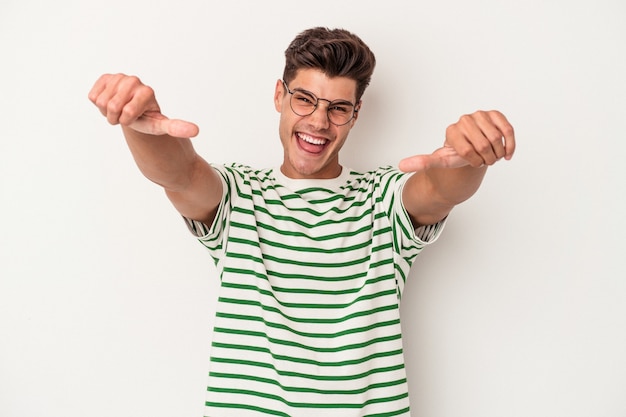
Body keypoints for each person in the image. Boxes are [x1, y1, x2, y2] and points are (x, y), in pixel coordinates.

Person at [89, 27, 515, 417]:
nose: (318, 121)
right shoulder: (239, 194)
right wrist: (140, 126)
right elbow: (180, 174)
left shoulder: (383, 198)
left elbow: (440, 189)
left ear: (355, 114)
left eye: (338, 108)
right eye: (305, 99)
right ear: (279, 95)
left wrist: (469, 156)